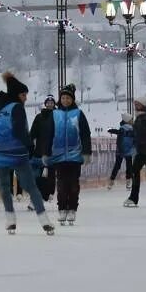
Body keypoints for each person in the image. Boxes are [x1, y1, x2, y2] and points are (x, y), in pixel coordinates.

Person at [0, 72, 54, 236]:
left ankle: (10, 220)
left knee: (5, 187)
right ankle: (44, 220)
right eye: (24, 95)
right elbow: (19, 130)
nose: (26, 98)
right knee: (31, 186)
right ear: (17, 95)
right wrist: (29, 146)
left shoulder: (1, 108)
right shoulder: (17, 108)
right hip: (17, 154)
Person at [48, 84, 92, 226]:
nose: (65, 100)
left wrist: (86, 152)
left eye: (68, 98)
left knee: (73, 184)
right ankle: (61, 209)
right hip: (58, 156)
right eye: (63, 98)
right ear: (59, 100)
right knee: (61, 185)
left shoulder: (78, 114)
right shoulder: (54, 115)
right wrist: (45, 152)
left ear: (72, 100)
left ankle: (72, 208)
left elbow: (85, 134)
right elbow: (47, 135)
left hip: (75, 156)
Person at [29, 95, 57, 205]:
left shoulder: (58, 117)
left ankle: (48, 193)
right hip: (39, 151)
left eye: (52, 102)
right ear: (45, 104)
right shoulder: (39, 117)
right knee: (35, 176)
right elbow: (32, 134)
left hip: (52, 152)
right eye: (48, 102)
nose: (50, 104)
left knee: (50, 175)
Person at [106, 114, 136, 189]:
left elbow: (118, 132)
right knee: (128, 166)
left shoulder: (130, 129)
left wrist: (111, 130)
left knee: (119, 166)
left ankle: (112, 181)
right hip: (125, 150)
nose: (132, 121)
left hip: (123, 150)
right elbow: (119, 133)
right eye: (131, 120)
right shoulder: (126, 129)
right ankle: (127, 181)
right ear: (127, 121)